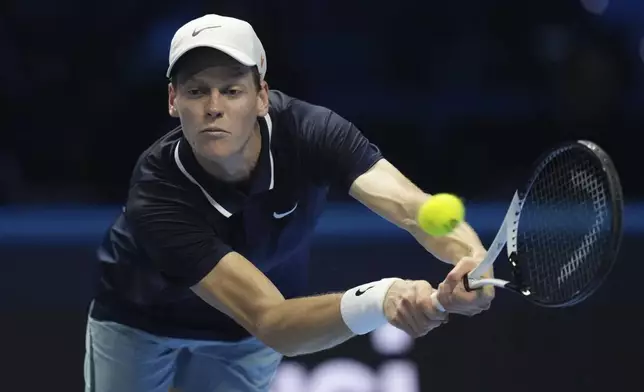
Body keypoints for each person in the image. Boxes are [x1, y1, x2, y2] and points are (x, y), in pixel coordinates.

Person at [83, 13, 495, 392]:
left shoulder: (312, 133)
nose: (213, 107)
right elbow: (272, 321)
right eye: (196, 91)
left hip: (242, 340)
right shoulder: (157, 190)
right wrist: (380, 298)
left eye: (231, 90)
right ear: (173, 101)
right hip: (138, 320)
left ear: (261, 96)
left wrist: (473, 259)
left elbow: (414, 208)